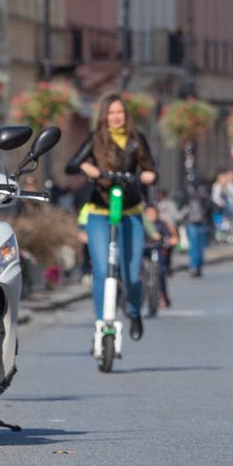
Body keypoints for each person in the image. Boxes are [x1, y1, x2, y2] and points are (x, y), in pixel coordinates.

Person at [64, 93, 158, 341]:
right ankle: (100, 324)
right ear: (104, 116)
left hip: (130, 213)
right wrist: (86, 167)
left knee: (131, 274)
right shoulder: (96, 139)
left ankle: (134, 310)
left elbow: (151, 169)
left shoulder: (136, 139)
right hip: (100, 213)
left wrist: (148, 175)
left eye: (120, 113)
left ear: (126, 116)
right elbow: (71, 165)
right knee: (103, 270)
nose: (116, 117)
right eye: (111, 113)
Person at [143, 203, 179, 310]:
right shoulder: (141, 225)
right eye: (148, 214)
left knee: (161, 271)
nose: (151, 216)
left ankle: (163, 296)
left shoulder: (161, 224)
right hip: (144, 251)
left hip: (157, 250)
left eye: (153, 213)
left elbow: (169, 236)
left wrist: (171, 240)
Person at [183, 177, 214, 276]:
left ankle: (198, 265)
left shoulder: (204, 193)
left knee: (200, 246)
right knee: (193, 245)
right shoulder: (187, 194)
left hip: (202, 222)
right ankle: (194, 267)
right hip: (192, 222)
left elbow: (210, 207)